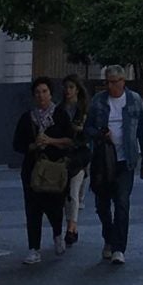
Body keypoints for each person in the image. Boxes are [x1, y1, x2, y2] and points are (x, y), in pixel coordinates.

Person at [82, 66, 143, 263]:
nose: (110, 85)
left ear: (123, 81)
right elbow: (88, 128)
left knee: (122, 203)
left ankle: (119, 247)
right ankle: (109, 237)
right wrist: (100, 134)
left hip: (125, 161)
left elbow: (142, 132)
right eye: (108, 82)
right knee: (102, 205)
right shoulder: (98, 101)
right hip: (103, 161)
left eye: (114, 81)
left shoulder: (134, 100)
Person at [13, 78, 76, 264]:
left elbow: (70, 140)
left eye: (44, 91)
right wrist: (32, 145)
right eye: (38, 92)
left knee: (55, 206)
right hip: (33, 169)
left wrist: (50, 141)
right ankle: (34, 248)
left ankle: (58, 234)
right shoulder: (27, 118)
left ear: (50, 93)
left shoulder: (60, 115)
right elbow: (17, 144)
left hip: (55, 169)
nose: (41, 96)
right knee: (33, 209)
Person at [57, 75, 91, 253]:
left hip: (79, 154)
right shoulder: (60, 109)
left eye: (71, 87)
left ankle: (71, 227)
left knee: (73, 191)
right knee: (65, 194)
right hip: (64, 154)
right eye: (66, 87)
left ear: (77, 89)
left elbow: (89, 132)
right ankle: (71, 225)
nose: (68, 91)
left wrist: (81, 131)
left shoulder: (84, 109)